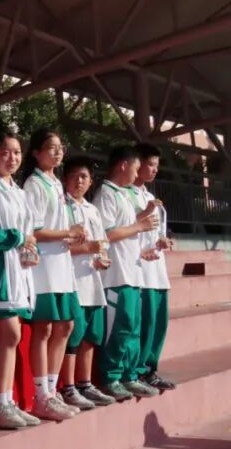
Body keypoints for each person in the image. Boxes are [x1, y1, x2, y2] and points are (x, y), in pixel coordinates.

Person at [0, 131, 41, 430]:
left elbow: (28, 232)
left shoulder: (18, 191)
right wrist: (18, 238)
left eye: (16, 152)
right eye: (5, 152)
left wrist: (29, 248)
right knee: (9, 334)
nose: (12, 158)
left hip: (19, 269)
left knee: (13, 337)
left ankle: (6, 401)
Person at [21, 129, 82, 421]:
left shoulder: (56, 183)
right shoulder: (33, 184)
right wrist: (67, 232)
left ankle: (51, 389)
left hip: (61, 264)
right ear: (36, 152)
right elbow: (34, 230)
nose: (57, 152)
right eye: (50, 148)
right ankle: (41, 395)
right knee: (44, 328)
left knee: (66, 326)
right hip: (43, 266)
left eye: (60, 147)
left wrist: (70, 237)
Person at [94, 145, 162, 400]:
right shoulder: (106, 194)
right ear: (123, 165)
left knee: (133, 327)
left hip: (132, 273)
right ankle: (111, 377)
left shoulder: (122, 194)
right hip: (115, 275)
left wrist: (142, 243)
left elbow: (128, 228)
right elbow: (106, 233)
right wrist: (139, 225)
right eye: (135, 167)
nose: (137, 173)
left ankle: (129, 375)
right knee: (119, 327)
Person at [60, 156, 116, 409]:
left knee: (91, 334)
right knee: (74, 335)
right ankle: (68, 387)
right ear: (65, 179)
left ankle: (85, 384)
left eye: (84, 177)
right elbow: (60, 246)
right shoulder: (62, 207)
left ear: (91, 181)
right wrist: (86, 249)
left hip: (93, 280)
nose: (79, 181)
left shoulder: (92, 210)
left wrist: (101, 258)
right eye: (74, 176)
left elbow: (101, 243)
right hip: (72, 279)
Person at [131, 143, 176, 391]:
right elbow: (121, 228)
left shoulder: (150, 197)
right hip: (138, 270)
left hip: (157, 270)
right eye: (150, 164)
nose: (154, 170)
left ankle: (151, 369)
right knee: (144, 322)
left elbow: (155, 231)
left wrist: (162, 240)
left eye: (157, 165)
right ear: (136, 164)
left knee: (159, 322)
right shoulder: (125, 195)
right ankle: (137, 370)